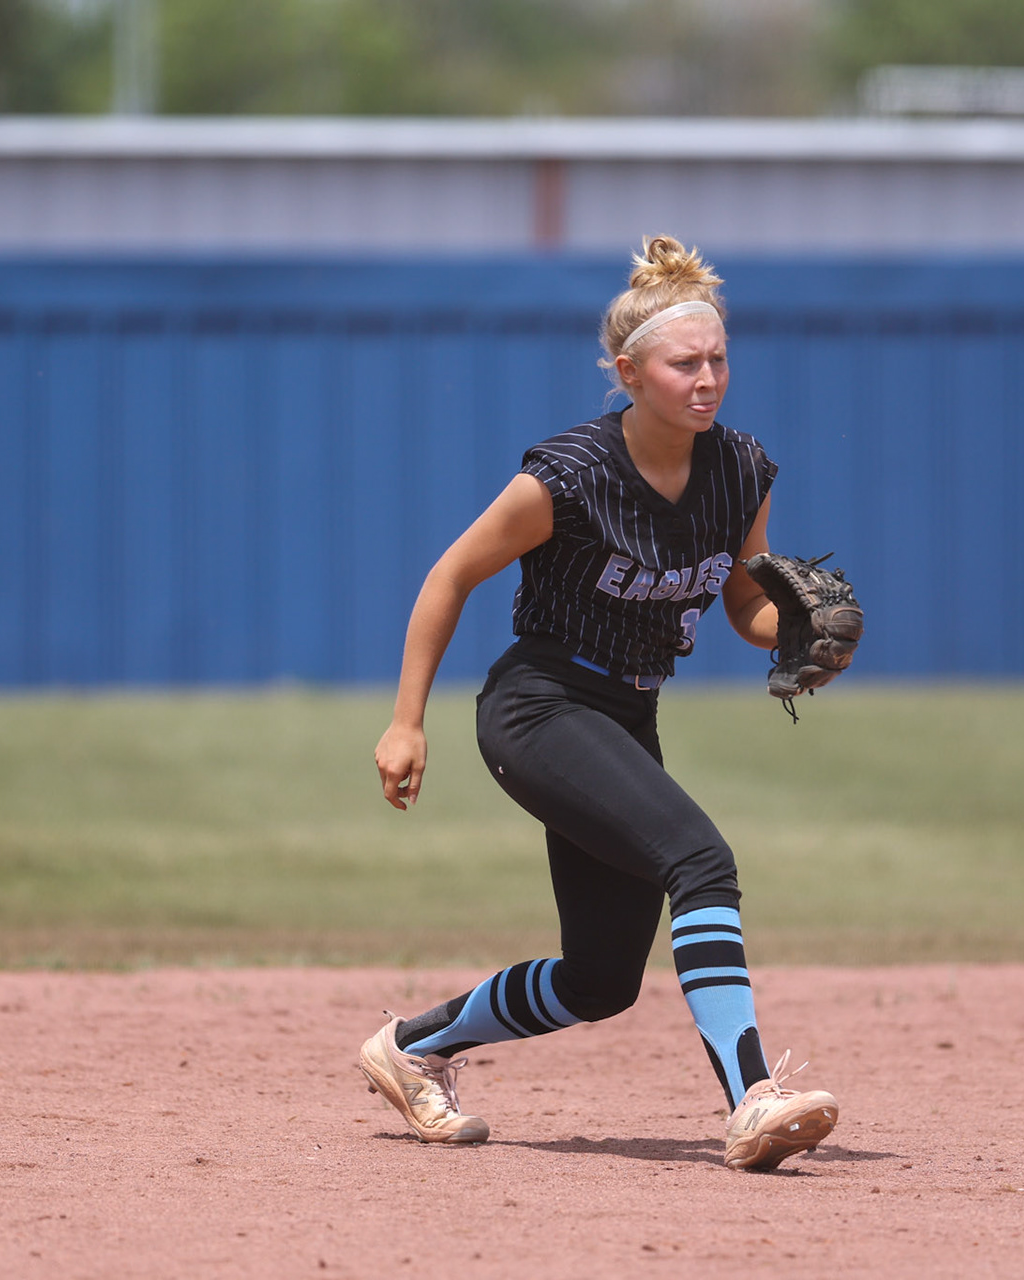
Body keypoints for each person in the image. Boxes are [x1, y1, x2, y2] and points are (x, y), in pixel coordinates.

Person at [362, 236, 839, 1172]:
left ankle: (412, 1048)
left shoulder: (740, 470)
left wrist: (786, 630)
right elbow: (450, 576)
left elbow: (741, 597)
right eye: (683, 363)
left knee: (600, 980)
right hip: (538, 704)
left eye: (717, 359)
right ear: (628, 373)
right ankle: (752, 1101)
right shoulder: (570, 478)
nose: (707, 379)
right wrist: (405, 720)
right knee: (701, 859)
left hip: (626, 711)